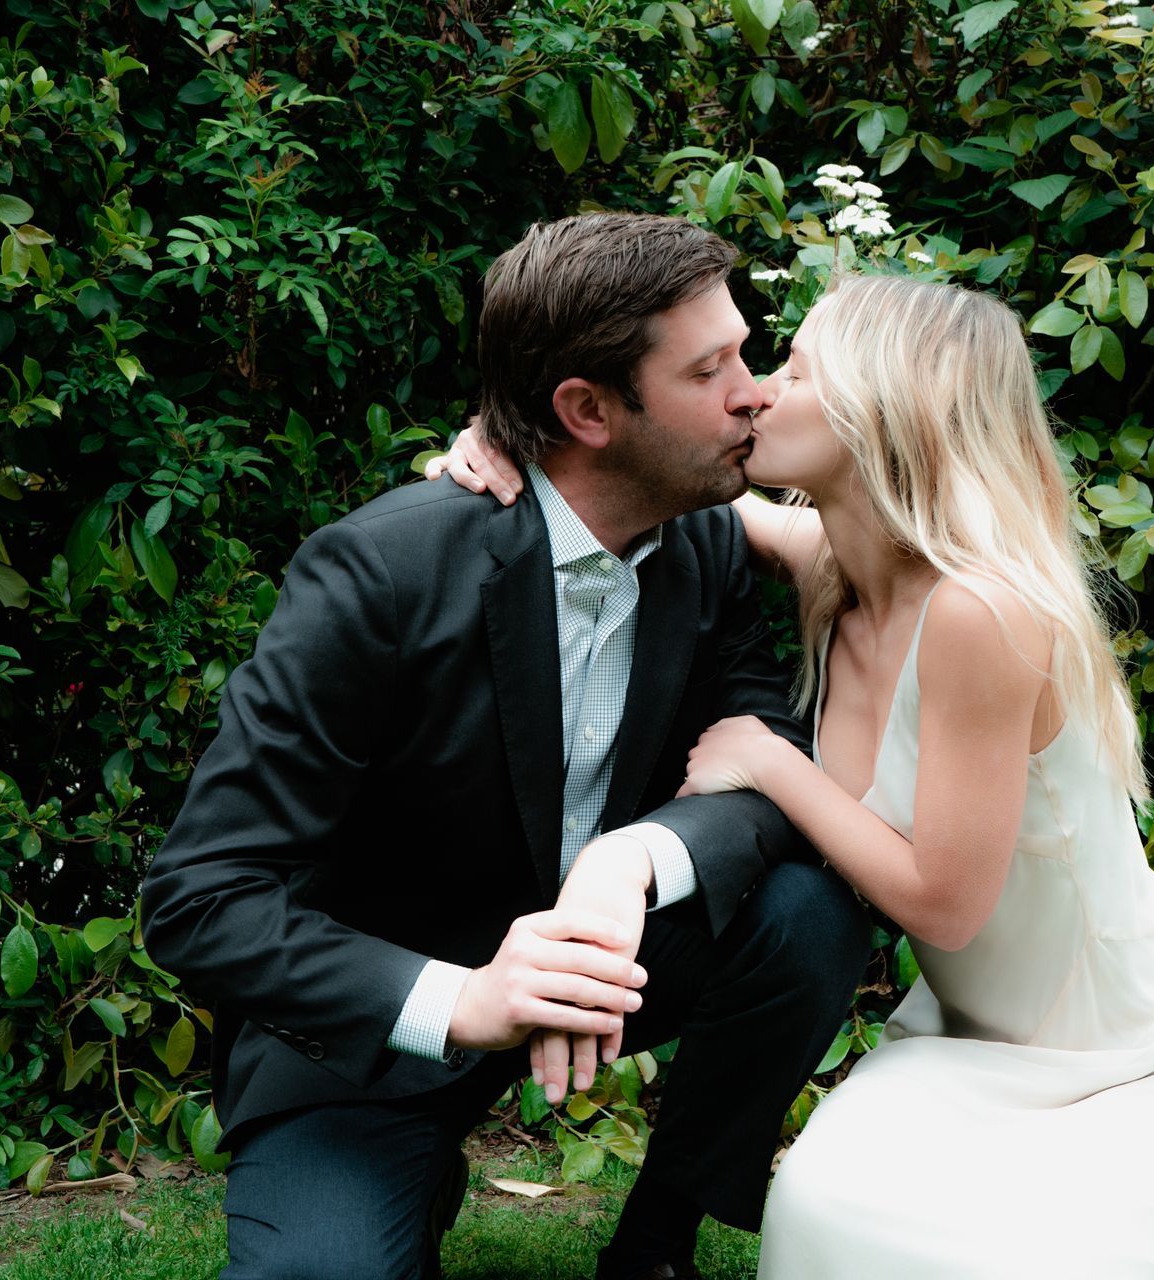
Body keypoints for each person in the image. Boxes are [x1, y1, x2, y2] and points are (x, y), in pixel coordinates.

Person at [436, 273, 1154, 1276]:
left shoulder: (982, 611)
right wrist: (511, 443)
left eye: (795, 370)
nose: (755, 392)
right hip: (965, 1041)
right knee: (826, 1213)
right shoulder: (841, 567)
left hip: (1136, 1055)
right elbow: (651, 487)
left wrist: (771, 764)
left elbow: (945, 904)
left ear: (888, 410)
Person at [138, 212, 867, 1280]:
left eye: (747, 357)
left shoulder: (707, 538)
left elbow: (762, 751)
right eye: (711, 368)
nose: (752, 390)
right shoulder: (381, 573)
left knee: (813, 900)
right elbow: (200, 897)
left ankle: (657, 1239)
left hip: (612, 964)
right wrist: (462, 1000)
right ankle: (407, 1165)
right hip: (376, 1031)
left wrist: (635, 862)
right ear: (586, 408)